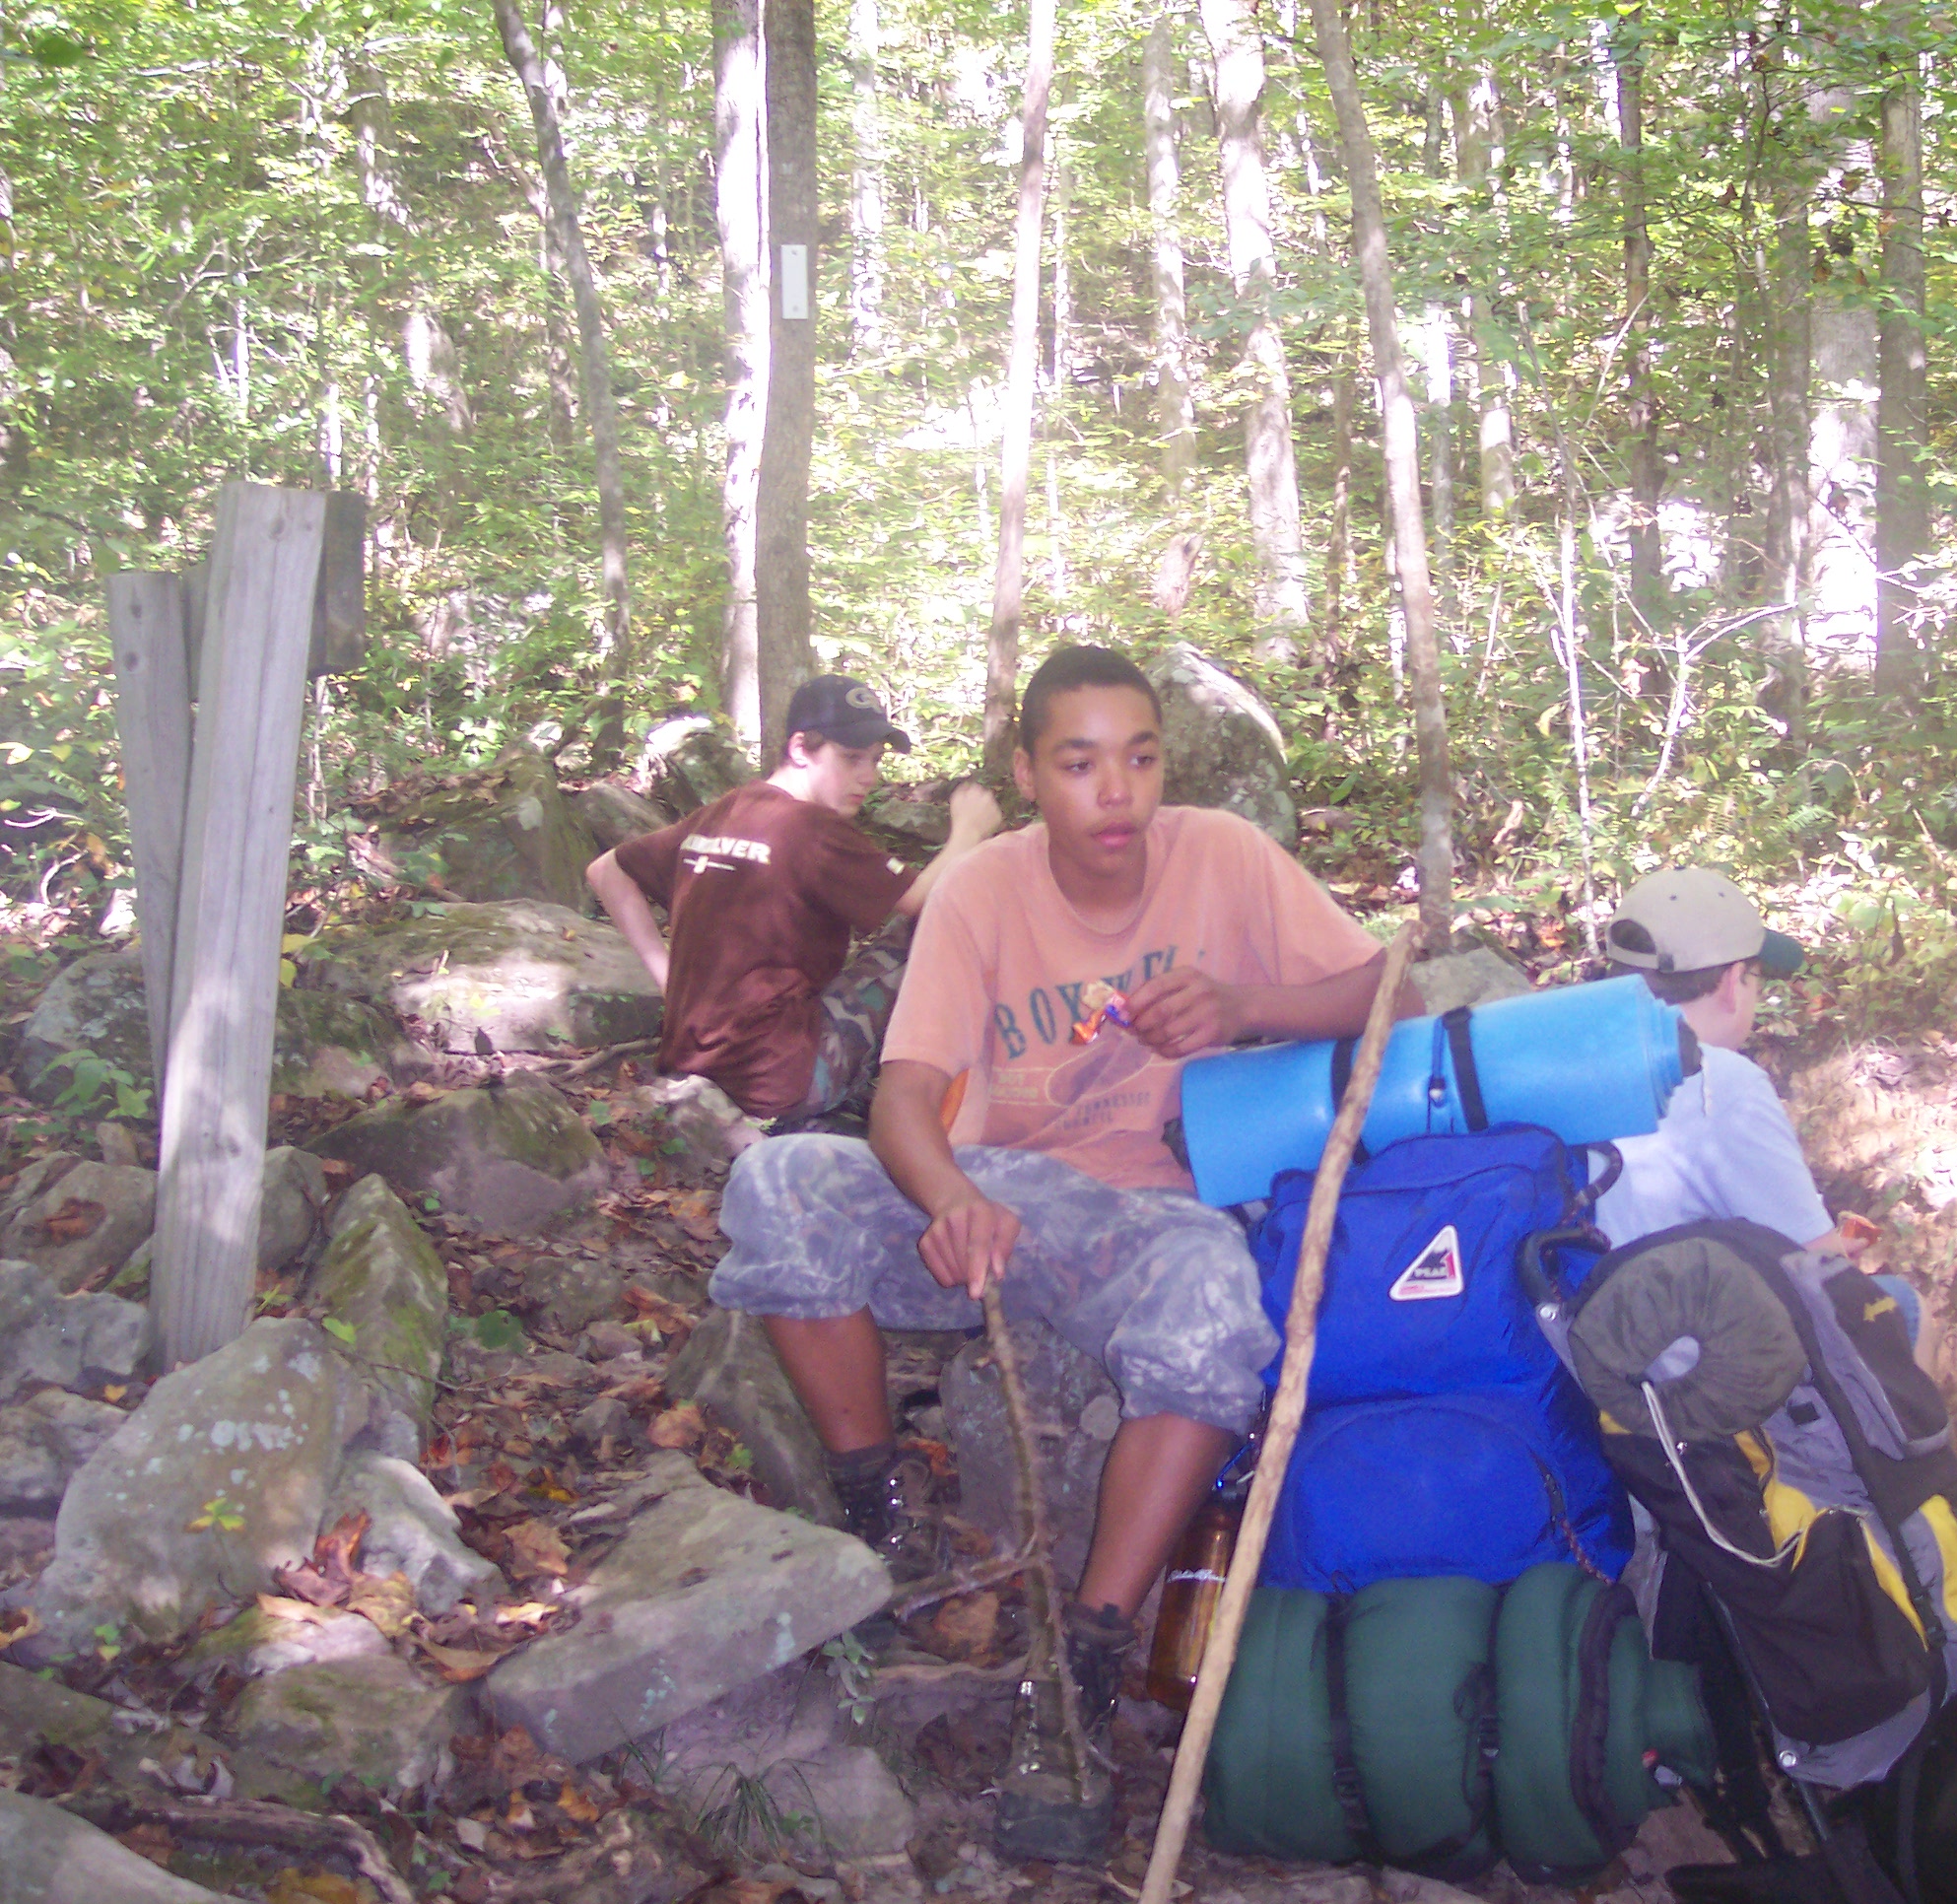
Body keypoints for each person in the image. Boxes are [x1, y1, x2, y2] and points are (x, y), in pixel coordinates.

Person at [708, 644, 1400, 1861]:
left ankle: (1080, 1663)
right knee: (777, 1182)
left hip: (1151, 1217)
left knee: (1212, 1303)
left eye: (1140, 758)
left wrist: (1246, 1008)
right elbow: (903, 1093)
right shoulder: (982, 891)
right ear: (1029, 775)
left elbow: (1390, 989)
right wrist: (948, 1198)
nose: (1115, 792)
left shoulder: (1225, 857)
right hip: (996, 1199)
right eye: (1079, 764)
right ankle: (880, 1516)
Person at [585, 676, 1002, 1125]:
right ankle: (955, 1095)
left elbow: (605, 871)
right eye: (851, 758)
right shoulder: (813, 829)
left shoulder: (728, 810)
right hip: (781, 1083)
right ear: (800, 749)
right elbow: (926, 900)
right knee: (931, 926)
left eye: (875, 760)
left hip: (694, 1060)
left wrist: (671, 985)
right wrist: (968, 831)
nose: (868, 776)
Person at [1593, 866, 1863, 1263]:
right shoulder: (1721, 1083)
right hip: (1641, 1304)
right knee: (1902, 1298)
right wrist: (1847, 1243)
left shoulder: (1574, 1052)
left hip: (1562, 1292)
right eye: (1757, 977)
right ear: (1733, 983)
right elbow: (1810, 1261)